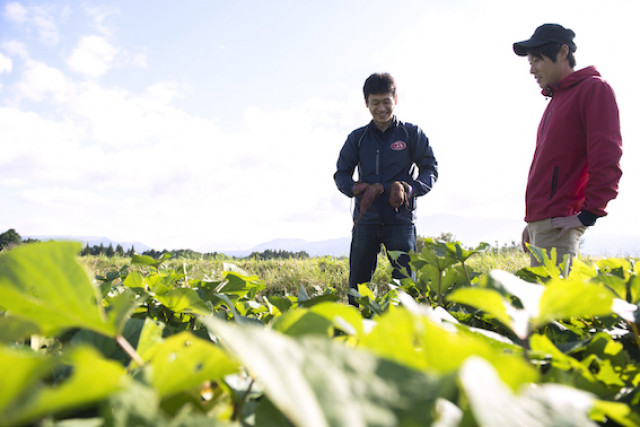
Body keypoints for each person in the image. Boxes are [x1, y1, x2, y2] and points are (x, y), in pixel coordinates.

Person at [513, 24, 622, 267]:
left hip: (559, 223)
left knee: (555, 304)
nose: (532, 69)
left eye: (537, 60)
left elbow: (607, 155)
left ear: (563, 52)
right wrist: (535, 221)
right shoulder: (556, 99)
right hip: (545, 222)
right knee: (540, 303)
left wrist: (588, 214)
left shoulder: (593, 89)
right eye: (530, 62)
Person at [334, 72, 438, 306]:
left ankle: (405, 332)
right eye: (375, 103)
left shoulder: (411, 134)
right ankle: (355, 333)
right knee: (357, 286)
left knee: (405, 285)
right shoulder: (357, 138)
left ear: (396, 100)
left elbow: (430, 169)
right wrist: (356, 189)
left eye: (386, 102)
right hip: (366, 221)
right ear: (366, 103)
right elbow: (341, 173)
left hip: (400, 221)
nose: (381, 109)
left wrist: (409, 189)